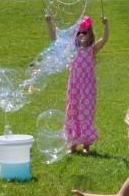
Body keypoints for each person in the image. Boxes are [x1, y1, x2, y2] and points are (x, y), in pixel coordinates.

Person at [45, 14, 109, 155]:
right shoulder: (72, 50)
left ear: (90, 33)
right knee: (72, 113)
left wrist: (106, 25)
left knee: (86, 113)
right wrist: (49, 23)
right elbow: (54, 39)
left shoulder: (92, 50)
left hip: (88, 88)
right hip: (74, 87)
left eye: (84, 32)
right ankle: (73, 144)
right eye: (79, 32)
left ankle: (86, 145)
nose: (81, 34)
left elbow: (104, 39)